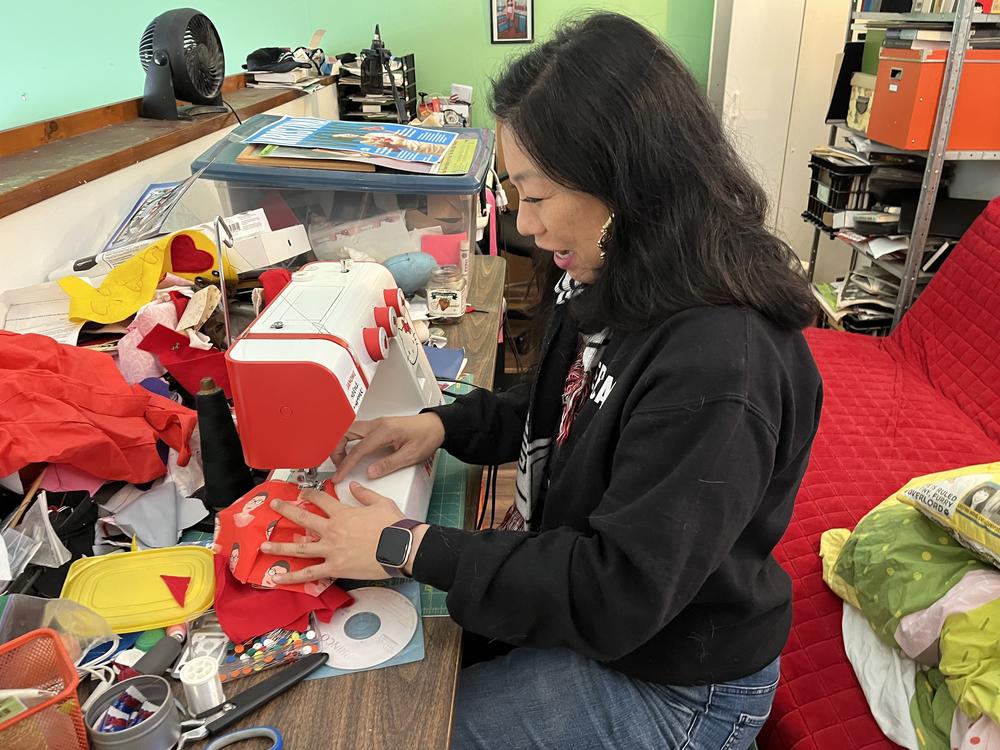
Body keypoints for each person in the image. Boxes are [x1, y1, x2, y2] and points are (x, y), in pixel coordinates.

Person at [261, 12, 823, 750]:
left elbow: (614, 589)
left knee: (397, 732)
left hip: (677, 685)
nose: (524, 225)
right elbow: (562, 405)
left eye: (537, 194)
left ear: (625, 185)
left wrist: (406, 545)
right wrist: (441, 425)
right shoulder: (619, 273)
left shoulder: (719, 365)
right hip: (613, 626)